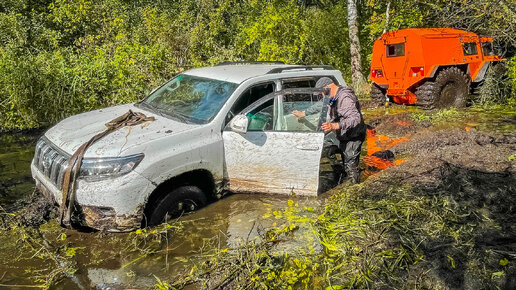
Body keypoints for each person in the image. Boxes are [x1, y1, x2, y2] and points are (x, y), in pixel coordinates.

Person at [318, 77, 366, 184]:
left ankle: (354, 189)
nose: (322, 96)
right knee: (324, 147)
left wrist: (335, 125)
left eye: (322, 93)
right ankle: (339, 171)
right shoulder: (333, 98)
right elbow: (318, 107)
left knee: (350, 166)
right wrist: (305, 113)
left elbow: (355, 118)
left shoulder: (345, 97)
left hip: (354, 135)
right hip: (340, 133)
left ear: (327, 88)